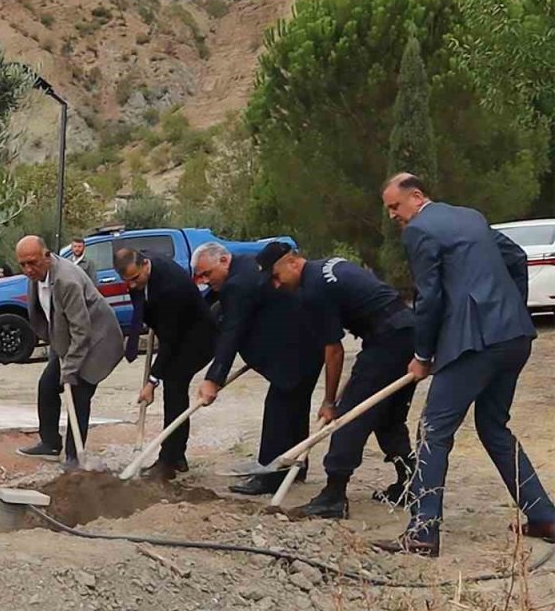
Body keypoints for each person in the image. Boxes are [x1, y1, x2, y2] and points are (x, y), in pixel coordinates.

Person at [373, 173, 555, 557]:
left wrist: (423, 355)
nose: (393, 216)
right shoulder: (470, 217)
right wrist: (511, 310)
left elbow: (430, 296)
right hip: (514, 337)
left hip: (475, 344)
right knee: (494, 427)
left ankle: (423, 533)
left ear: (417, 197)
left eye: (395, 206)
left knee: (433, 430)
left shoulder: (419, 229)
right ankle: (545, 517)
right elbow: (517, 258)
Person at [260, 242, 416, 519]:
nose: (275, 285)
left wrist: (330, 401)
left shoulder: (314, 290)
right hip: (405, 330)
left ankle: (333, 495)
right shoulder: (326, 268)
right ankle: (412, 484)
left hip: (389, 339)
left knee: (349, 416)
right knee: (386, 416)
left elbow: (334, 351)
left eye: (275, 276)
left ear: (293, 262)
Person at [192, 242, 323, 495]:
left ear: (224, 261)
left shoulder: (237, 284)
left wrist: (213, 379)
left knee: (278, 408)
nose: (205, 281)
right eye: (200, 276)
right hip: (309, 343)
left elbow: (233, 332)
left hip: (294, 348)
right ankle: (294, 466)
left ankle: (269, 474)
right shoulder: (246, 266)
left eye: (207, 274)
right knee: (295, 407)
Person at [14, 235, 124, 465]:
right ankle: (50, 444)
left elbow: (81, 331)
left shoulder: (67, 281)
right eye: (22, 264)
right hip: (70, 341)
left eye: (32, 262)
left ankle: (74, 457)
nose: (27, 269)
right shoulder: (35, 275)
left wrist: (70, 369)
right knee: (47, 386)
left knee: (78, 392)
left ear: (47, 256)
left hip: (97, 341)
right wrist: (57, 347)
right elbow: (48, 318)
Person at [114, 248, 215, 481]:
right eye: (126, 281)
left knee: (174, 387)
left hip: (197, 339)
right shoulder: (142, 272)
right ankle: (176, 456)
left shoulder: (171, 288)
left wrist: (151, 381)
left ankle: (169, 460)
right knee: (173, 387)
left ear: (146, 264)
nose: (131, 286)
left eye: (135, 279)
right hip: (174, 329)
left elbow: (170, 342)